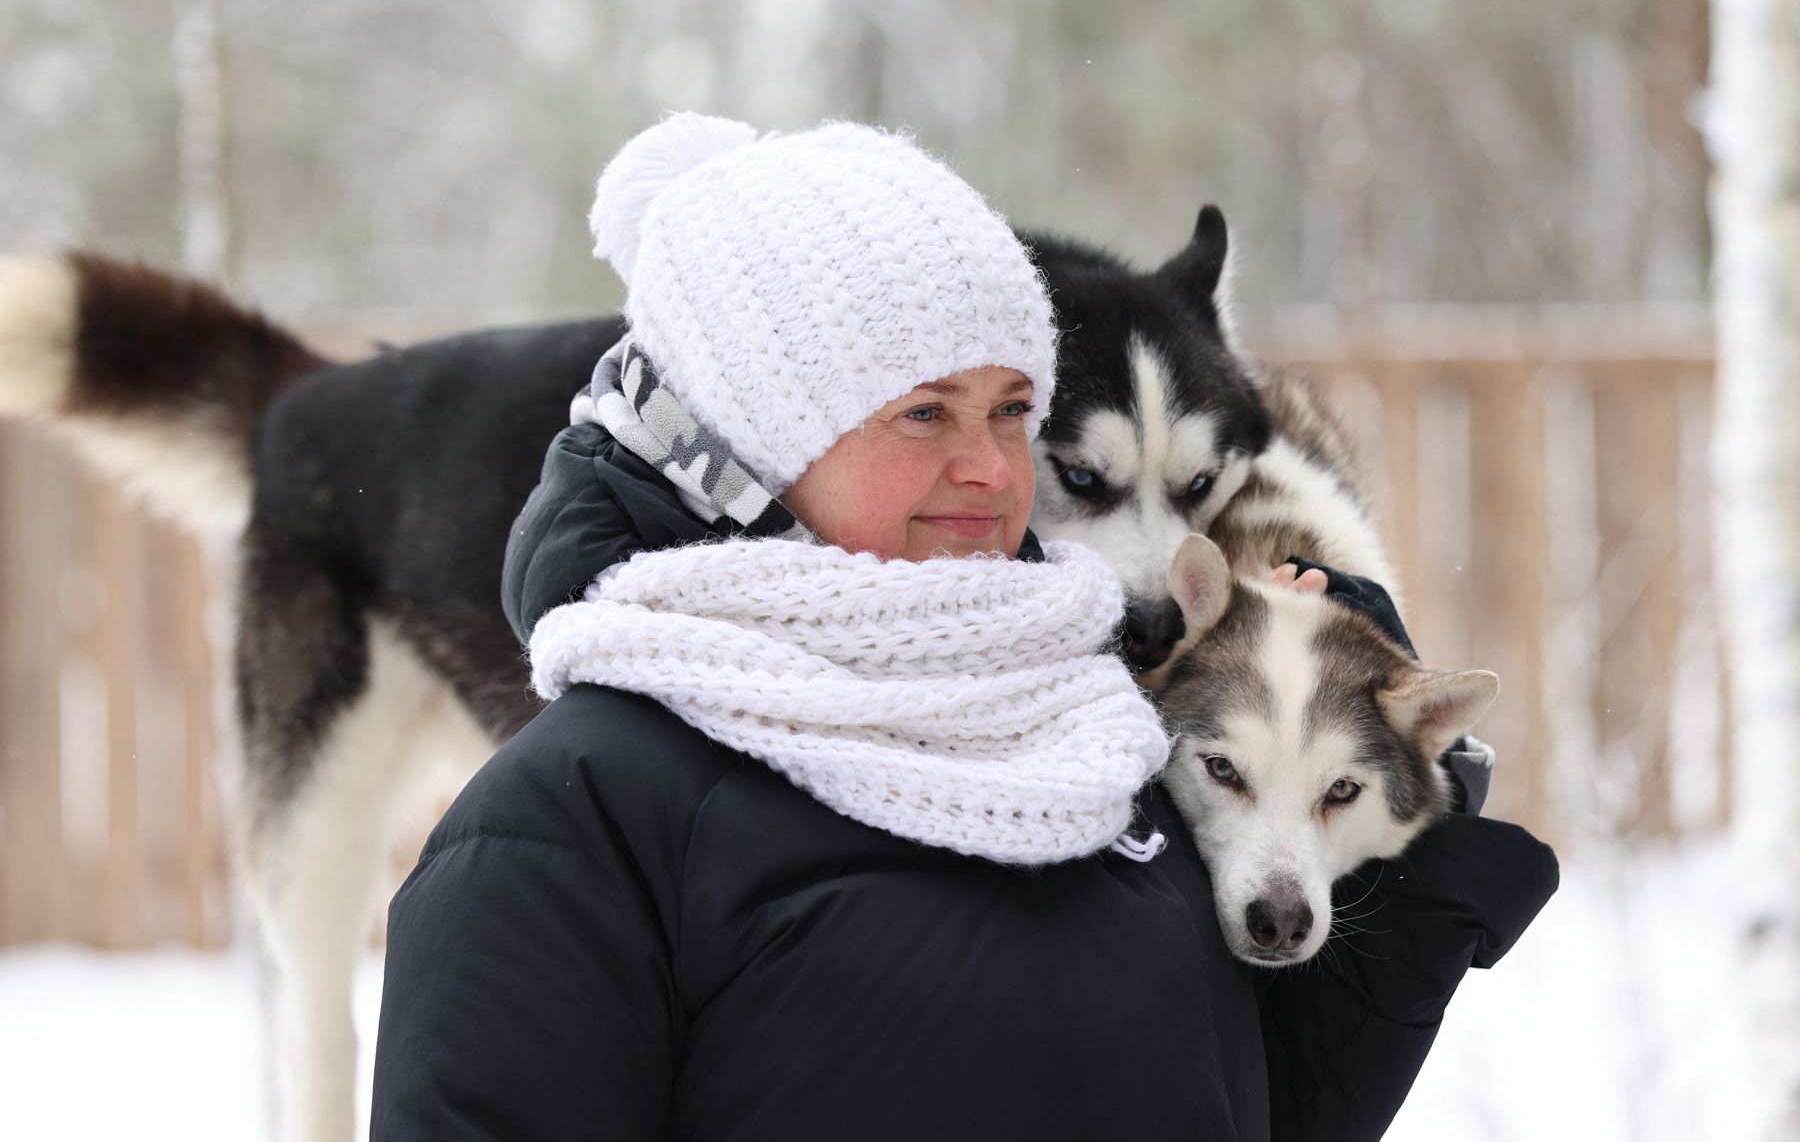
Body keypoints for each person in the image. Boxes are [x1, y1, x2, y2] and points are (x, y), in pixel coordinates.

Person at [370, 113, 1557, 1141]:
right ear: (746, 435)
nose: (991, 469)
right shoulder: (579, 819)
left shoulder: (1099, 741)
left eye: (1012, 410)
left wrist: (1339, 721)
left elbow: (1261, 1113)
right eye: (923, 412)